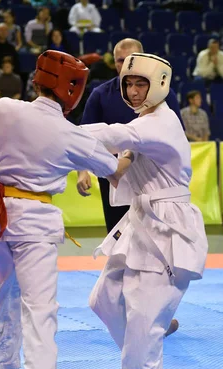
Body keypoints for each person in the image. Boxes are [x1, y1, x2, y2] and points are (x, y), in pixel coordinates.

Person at [0, 50, 132, 369]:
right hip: (33, 217)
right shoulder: (69, 133)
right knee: (40, 306)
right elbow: (115, 172)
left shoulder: (1, 107)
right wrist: (133, 146)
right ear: (73, 90)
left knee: (3, 297)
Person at [77, 52, 208, 369]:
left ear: (160, 85)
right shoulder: (144, 123)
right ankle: (146, 343)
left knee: (142, 320)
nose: (133, 91)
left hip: (168, 227)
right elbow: (121, 157)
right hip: (140, 222)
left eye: (141, 84)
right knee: (103, 300)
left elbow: (112, 133)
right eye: (128, 83)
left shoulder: (159, 122)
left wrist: (57, 132)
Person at [80, 38, 183, 234]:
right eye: (120, 60)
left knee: (153, 237)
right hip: (115, 177)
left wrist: (62, 134)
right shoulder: (100, 94)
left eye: (131, 59)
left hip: (153, 179)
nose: (126, 65)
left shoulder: (164, 97)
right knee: (118, 236)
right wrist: (83, 169)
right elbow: (89, 136)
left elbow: (124, 137)